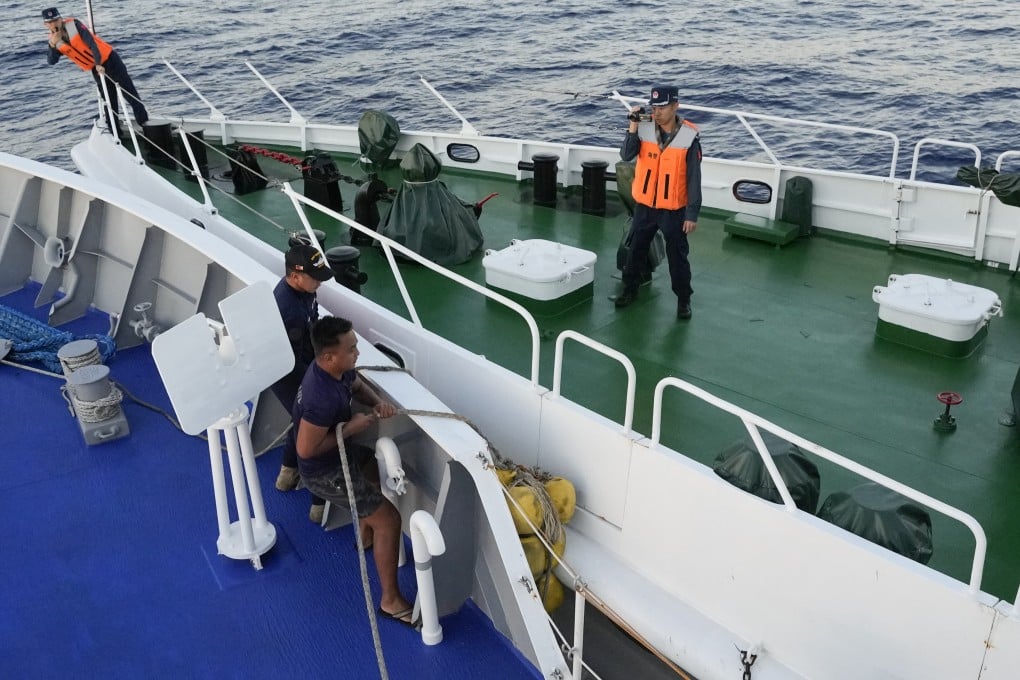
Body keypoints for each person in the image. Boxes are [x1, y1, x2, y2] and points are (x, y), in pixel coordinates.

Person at [292, 315, 414, 624]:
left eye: (356, 346)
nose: (357, 353)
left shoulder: (338, 371)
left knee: (371, 464)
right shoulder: (320, 397)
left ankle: (364, 532)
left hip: (341, 455)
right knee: (390, 521)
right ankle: (390, 601)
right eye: (351, 349)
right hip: (323, 473)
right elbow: (305, 451)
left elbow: (357, 385)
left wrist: (377, 404)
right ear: (329, 356)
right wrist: (349, 428)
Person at [615, 85, 702, 320]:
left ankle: (684, 300)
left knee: (678, 257)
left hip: (673, 209)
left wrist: (691, 214)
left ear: (675, 106)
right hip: (645, 206)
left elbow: (694, 178)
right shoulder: (643, 129)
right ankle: (629, 289)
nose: (658, 112)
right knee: (635, 251)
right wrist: (632, 125)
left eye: (663, 107)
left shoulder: (689, 137)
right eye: (655, 107)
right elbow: (626, 155)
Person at [271, 243, 334, 523]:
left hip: (300, 366)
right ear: (295, 276)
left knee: (300, 422)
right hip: (290, 375)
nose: (319, 281)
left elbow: (314, 323)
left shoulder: (305, 293)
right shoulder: (288, 310)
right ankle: (319, 504)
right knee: (318, 430)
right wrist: (318, 383)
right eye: (314, 276)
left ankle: (287, 473)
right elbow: (290, 362)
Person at [42, 7, 149, 132]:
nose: (53, 24)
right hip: (96, 70)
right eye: (50, 22)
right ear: (45, 25)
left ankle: (145, 125)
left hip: (110, 61)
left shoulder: (74, 25)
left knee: (130, 93)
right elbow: (51, 61)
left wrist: (98, 64)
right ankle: (115, 132)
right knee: (109, 102)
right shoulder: (55, 41)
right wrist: (52, 46)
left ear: (61, 19)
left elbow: (92, 43)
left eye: (55, 20)